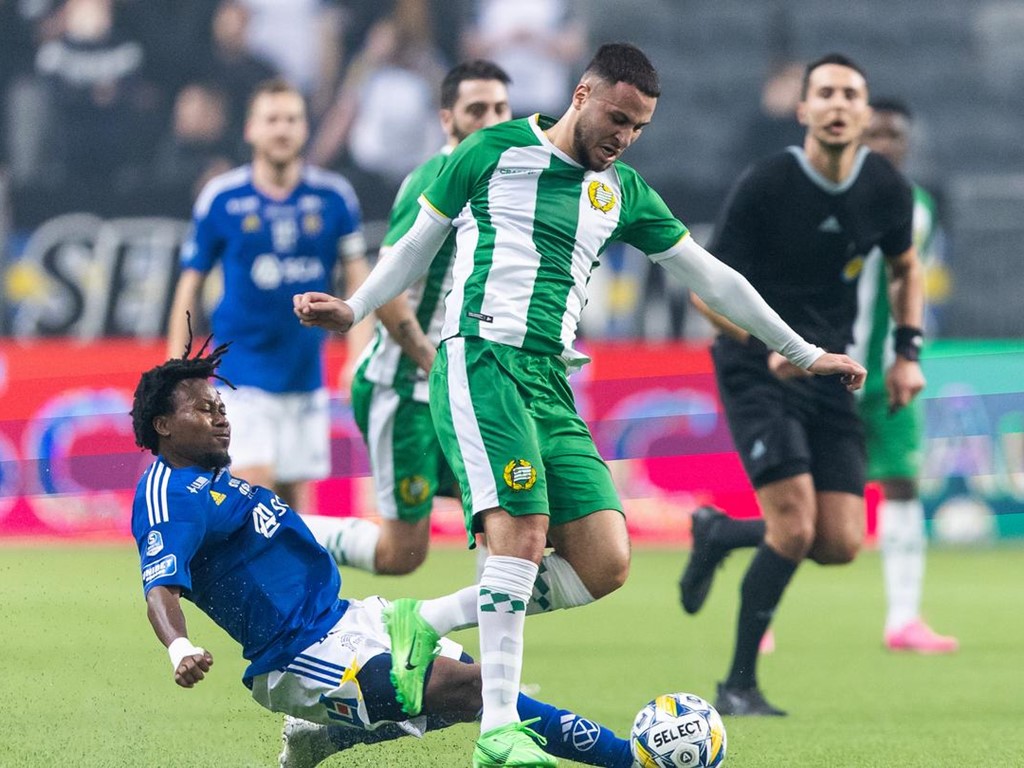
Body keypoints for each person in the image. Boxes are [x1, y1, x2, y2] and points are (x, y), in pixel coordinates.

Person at [293, 42, 866, 765]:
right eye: (618, 119)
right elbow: (412, 245)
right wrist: (356, 308)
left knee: (604, 561)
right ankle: (498, 728)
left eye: (639, 128)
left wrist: (804, 352)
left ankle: (417, 619)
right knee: (524, 534)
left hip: (552, 381)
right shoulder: (492, 150)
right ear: (582, 94)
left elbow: (714, 278)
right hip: (481, 357)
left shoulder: (620, 191)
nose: (623, 138)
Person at [129, 335, 639, 768]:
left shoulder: (213, 477)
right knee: (482, 688)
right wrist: (180, 647)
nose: (221, 417)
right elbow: (159, 585)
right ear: (163, 426)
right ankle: (634, 759)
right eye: (204, 408)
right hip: (300, 657)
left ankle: (321, 738)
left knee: (473, 693)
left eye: (221, 406)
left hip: (352, 618)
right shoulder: (168, 495)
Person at [678, 54, 926, 717]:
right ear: (804, 110)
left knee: (840, 542)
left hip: (831, 370)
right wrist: (771, 347)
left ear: (866, 114)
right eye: (827, 93)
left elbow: (906, 268)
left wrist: (907, 353)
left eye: (851, 94)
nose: (839, 104)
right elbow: (705, 285)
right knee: (791, 527)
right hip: (756, 367)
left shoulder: (886, 189)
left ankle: (721, 534)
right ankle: (737, 685)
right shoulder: (766, 184)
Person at [306, 59, 513, 576]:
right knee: (403, 555)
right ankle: (280, 526)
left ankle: (497, 652)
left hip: (464, 387)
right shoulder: (434, 179)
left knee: (507, 513)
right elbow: (389, 283)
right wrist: (433, 362)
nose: (491, 120)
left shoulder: (510, 185)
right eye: (476, 110)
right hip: (404, 387)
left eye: (501, 109)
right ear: (448, 121)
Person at [166, 77, 370, 515]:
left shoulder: (333, 197)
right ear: (250, 130)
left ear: (305, 128)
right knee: (256, 490)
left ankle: (293, 586)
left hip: (304, 374)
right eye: (272, 119)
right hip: (240, 373)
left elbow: (359, 282)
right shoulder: (222, 198)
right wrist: (178, 364)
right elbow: (190, 283)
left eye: (292, 119)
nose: (282, 129)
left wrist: (358, 357)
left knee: (294, 510)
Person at [855, 97, 957, 652]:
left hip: (892, 367)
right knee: (803, 498)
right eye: (876, 134)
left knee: (902, 482)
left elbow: (911, 283)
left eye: (894, 135)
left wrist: (908, 352)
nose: (885, 144)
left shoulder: (918, 206)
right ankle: (764, 619)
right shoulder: (831, 193)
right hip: (825, 363)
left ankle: (903, 618)